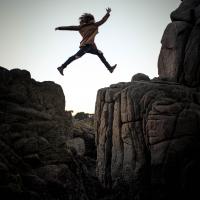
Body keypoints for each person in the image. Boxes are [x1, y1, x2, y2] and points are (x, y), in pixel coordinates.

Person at [55, 7, 117, 75]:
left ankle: (110, 68)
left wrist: (59, 28)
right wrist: (107, 13)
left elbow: (70, 27)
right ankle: (62, 67)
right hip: (86, 46)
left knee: (100, 53)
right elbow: (103, 20)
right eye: (93, 20)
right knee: (76, 56)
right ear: (90, 20)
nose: (94, 20)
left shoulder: (83, 27)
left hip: (91, 46)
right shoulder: (91, 25)